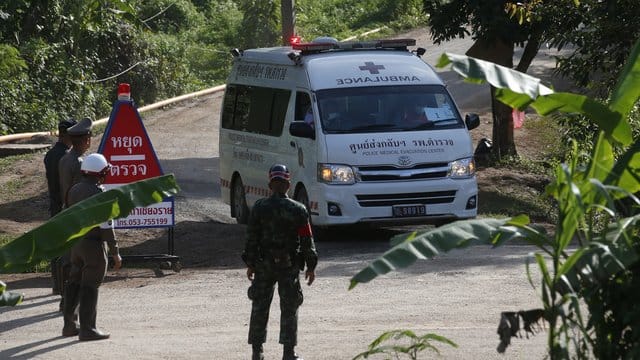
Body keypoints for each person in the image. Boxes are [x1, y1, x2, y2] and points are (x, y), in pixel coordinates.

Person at [242, 164, 318, 360]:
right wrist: (311, 266)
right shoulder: (298, 210)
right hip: (289, 265)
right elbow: (306, 240)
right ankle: (288, 353)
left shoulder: (259, 208)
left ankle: (257, 352)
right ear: (288, 185)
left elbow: (251, 238)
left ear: (270, 184)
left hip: (264, 265)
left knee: (259, 306)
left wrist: (250, 263)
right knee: (289, 308)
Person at [62, 153, 122, 341]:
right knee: (90, 285)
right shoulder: (100, 193)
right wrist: (115, 252)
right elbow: (106, 225)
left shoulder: (74, 190)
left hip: (76, 245)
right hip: (93, 247)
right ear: (101, 173)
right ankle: (88, 329)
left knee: (74, 282)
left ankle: (69, 326)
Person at [56, 117, 93, 312]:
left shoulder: (64, 158)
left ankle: (64, 299)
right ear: (86, 139)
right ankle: (70, 303)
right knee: (77, 262)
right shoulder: (80, 162)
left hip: (66, 210)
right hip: (77, 214)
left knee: (67, 259)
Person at [43, 118, 77, 295]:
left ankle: (56, 284)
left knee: (56, 247)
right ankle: (65, 287)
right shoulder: (67, 157)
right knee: (67, 249)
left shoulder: (50, 154)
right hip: (65, 205)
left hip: (54, 205)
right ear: (69, 135)